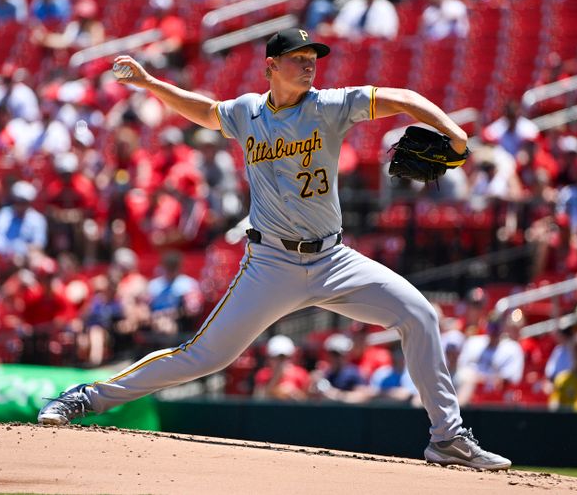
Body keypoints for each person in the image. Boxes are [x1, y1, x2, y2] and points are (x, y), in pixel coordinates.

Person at [39, 28, 511, 470]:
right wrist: (149, 82)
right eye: (298, 59)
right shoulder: (247, 111)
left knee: (419, 315)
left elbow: (403, 99)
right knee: (204, 357)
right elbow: (203, 111)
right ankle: (89, 396)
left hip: (333, 260)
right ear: (271, 66)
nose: (309, 66)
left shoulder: (329, 105)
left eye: (313, 59)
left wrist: (454, 131)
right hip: (271, 263)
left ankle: (447, 437)